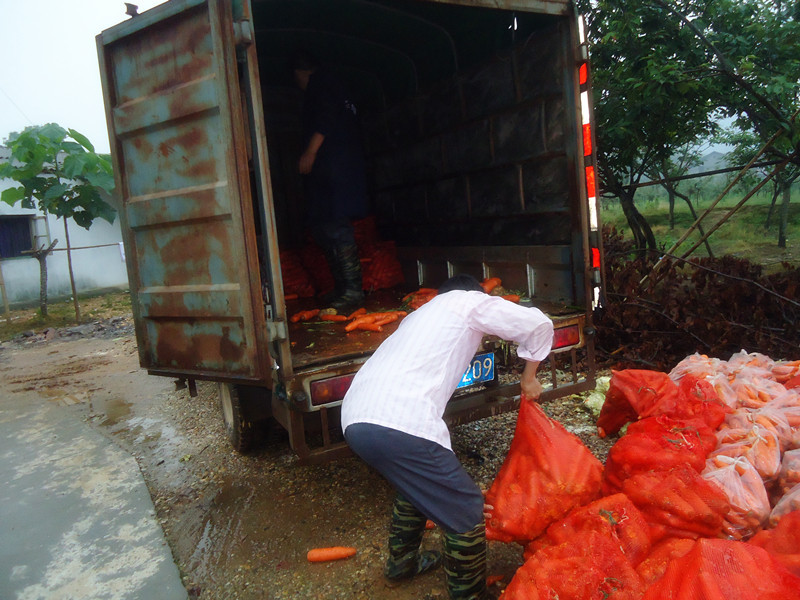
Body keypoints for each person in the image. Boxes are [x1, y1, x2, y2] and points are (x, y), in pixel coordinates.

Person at [341, 274, 555, 600]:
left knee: (417, 487)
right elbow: (538, 324)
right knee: (467, 509)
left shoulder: (418, 316)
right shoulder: (468, 302)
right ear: (473, 293)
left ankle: (402, 565)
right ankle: (469, 595)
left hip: (356, 419)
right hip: (398, 420)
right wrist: (529, 378)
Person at [292, 49, 369, 313]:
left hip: (335, 171)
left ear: (301, 72)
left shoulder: (323, 84)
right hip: (334, 172)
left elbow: (325, 119)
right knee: (324, 226)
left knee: (336, 225)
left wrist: (310, 152)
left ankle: (352, 291)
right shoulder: (336, 87)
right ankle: (343, 288)